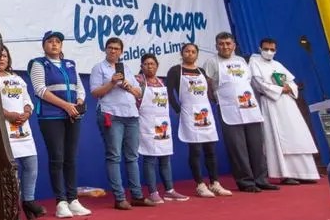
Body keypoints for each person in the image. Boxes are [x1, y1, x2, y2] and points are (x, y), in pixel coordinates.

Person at [203, 32, 279, 193]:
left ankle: (261, 179)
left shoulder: (242, 61)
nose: (225, 46)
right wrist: (216, 101)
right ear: (216, 46)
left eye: (228, 43)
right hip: (229, 109)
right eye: (221, 43)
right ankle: (246, 182)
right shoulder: (211, 62)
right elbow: (209, 86)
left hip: (250, 107)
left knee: (257, 146)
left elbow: (248, 82)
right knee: (238, 149)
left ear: (234, 45)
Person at [28, 31, 91, 218]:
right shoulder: (38, 63)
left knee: (71, 158)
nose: (54, 44)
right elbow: (40, 89)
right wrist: (66, 106)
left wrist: (79, 101)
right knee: (57, 157)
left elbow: (79, 86)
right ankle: (61, 202)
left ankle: (73, 200)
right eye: (50, 41)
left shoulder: (70, 64)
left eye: (57, 42)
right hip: (51, 116)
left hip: (72, 116)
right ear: (44, 45)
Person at [90, 37, 157, 210]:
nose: (113, 51)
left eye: (117, 48)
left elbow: (138, 93)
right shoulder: (99, 68)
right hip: (110, 113)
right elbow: (95, 93)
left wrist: (128, 87)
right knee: (114, 156)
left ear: (121, 51)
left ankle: (137, 196)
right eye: (110, 48)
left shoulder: (126, 68)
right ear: (105, 50)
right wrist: (112, 82)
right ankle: (119, 198)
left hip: (131, 115)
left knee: (132, 156)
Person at [166, 43, 233, 198]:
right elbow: (169, 93)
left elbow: (208, 92)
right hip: (189, 113)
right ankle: (200, 184)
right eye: (187, 51)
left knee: (210, 150)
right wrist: (178, 110)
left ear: (197, 54)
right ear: (182, 53)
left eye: (193, 51)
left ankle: (215, 183)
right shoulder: (175, 71)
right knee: (195, 150)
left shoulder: (201, 71)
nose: (190, 54)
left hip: (206, 113)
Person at [249, 38, 320, 184]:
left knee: (297, 135)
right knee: (279, 138)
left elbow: (291, 82)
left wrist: (289, 88)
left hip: (288, 104)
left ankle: (306, 173)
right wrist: (281, 89)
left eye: (272, 49)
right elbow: (259, 84)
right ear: (259, 48)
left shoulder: (278, 64)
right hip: (271, 103)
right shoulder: (254, 62)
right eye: (266, 49)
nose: (269, 52)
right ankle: (287, 174)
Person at [0, 45, 45, 220]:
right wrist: (7, 114)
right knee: (11, 172)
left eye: (5, 55)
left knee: (31, 166)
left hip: (22, 128)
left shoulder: (16, 78)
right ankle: (13, 212)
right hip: (4, 128)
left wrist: (26, 112)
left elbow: (27, 100)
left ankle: (29, 201)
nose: (2, 58)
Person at [134, 53, 190, 203]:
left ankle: (169, 190)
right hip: (146, 124)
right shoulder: (138, 81)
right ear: (141, 67)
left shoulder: (161, 82)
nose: (149, 66)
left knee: (165, 158)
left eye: (152, 64)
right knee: (149, 159)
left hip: (163, 125)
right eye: (146, 64)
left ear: (157, 66)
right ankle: (153, 192)